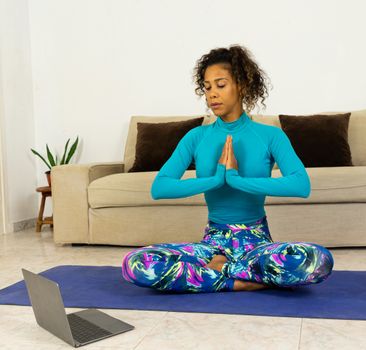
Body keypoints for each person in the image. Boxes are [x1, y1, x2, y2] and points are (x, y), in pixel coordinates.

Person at [121, 44, 334, 293]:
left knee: (318, 260)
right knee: (134, 264)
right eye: (207, 87)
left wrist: (236, 179)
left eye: (220, 85)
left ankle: (217, 272)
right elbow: (160, 188)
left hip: (256, 244)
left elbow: (301, 185)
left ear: (241, 86)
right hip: (212, 242)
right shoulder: (196, 137)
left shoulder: (270, 136)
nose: (212, 94)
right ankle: (239, 280)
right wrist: (215, 179)